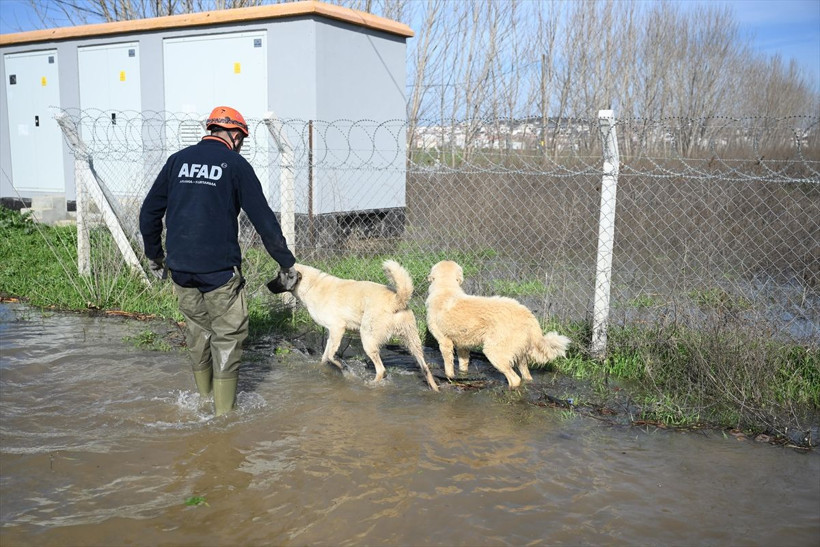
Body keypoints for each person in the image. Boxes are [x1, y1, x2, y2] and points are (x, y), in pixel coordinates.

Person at [139, 106, 299, 416]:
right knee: (228, 336)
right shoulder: (236, 165)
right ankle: (223, 418)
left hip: (181, 269)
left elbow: (149, 212)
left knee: (198, 331)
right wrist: (285, 261)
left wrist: (154, 256)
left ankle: (202, 401)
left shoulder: (177, 161)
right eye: (242, 139)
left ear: (211, 129)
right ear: (236, 135)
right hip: (219, 271)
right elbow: (263, 219)